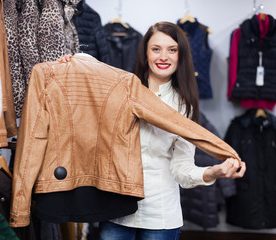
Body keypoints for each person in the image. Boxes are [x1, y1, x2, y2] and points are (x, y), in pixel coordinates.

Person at [96, 22, 246, 240]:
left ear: (180, 55)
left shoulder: (184, 106)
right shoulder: (121, 92)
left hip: (160, 216)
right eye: (156, 49)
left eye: (172, 50)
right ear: (145, 53)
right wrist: (68, 66)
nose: (163, 56)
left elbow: (181, 170)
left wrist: (214, 172)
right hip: (116, 212)